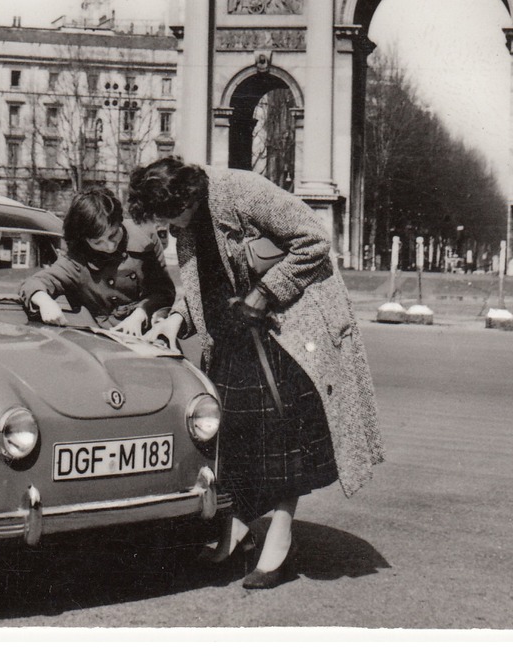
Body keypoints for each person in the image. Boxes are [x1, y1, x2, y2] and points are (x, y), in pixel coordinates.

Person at [128, 157, 383, 589]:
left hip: (290, 329)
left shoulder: (243, 192)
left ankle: (280, 539)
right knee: (236, 434)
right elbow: (201, 286)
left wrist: (263, 295)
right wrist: (173, 322)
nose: (169, 228)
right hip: (236, 334)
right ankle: (240, 527)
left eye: (170, 217)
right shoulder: (187, 222)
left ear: (186, 197)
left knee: (283, 436)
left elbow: (314, 240)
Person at [19, 185, 174, 333]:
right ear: (84, 240)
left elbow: (164, 292)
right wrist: (44, 301)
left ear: (120, 221)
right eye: (97, 242)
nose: (109, 246)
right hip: (107, 341)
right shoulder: (76, 261)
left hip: (152, 331)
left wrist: (141, 313)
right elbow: (33, 283)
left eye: (114, 235)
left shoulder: (145, 237)